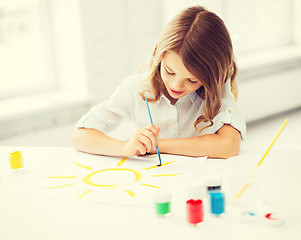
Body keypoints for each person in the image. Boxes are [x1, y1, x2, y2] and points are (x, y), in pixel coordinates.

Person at [72, 5, 246, 159]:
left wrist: (157, 145)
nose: (176, 85)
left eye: (192, 80)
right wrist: (125, 147)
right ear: (159, 57)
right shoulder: (136, 88)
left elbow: (229, 146)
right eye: (169, 71)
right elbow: (81, 136)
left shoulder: (215, 91)